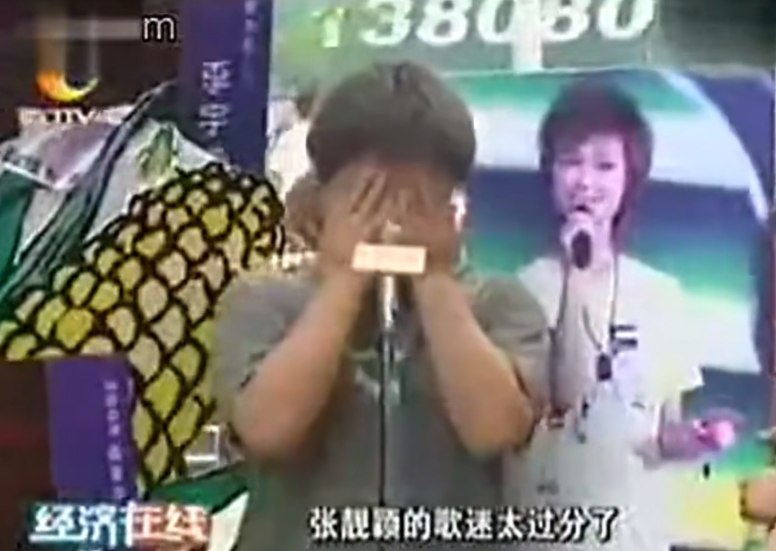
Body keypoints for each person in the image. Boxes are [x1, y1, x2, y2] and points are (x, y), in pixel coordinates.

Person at [213, 61, 550, 551]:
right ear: (322, 197)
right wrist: (343, 281)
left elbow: (494, 429)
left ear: (453, 206)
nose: (391, 222)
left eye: (416, 202)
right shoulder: (265, 300)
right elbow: (268, 430)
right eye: (367, 199)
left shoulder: (498, 304)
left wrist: (434, 278)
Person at [513, 79, 732, 551]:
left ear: (630, 177)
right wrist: (579, 273)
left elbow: (661, 433)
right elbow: (557, 404)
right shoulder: (519, 291)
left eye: (605, 165)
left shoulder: (662, 295)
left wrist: (697, 438)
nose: (585, 182)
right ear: (550, 171)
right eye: (571, 161)